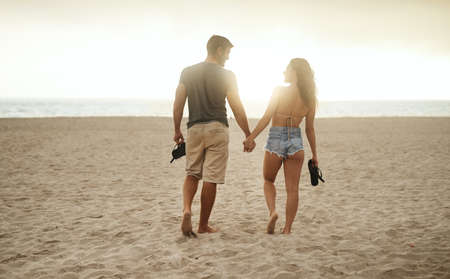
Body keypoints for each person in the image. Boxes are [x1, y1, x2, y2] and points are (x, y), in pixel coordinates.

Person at [173, 35, 254, 236]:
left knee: (192, 173)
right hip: (217, 128)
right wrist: (248, 133)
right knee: (211, 177)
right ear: (219, 50)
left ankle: (186, 210)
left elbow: (178, 101)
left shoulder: (187, 72)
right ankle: (202, 225)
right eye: (227, 52)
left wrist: (176, 130)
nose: (228, 57)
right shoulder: (227, 75)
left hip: (194, 129)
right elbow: (236, 106)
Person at [243, 58, 318, 234]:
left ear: (295, 72)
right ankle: (287, 229)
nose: (284, 72)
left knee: (269, 180)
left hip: (276, 137)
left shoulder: (279, 91)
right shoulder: (310, 98)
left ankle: (273, 212)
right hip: (296, 141)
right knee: (293, 189)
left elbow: (266, 117)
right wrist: (315, 155)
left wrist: (251, 138)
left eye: (287, 69)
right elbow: (310, 129)